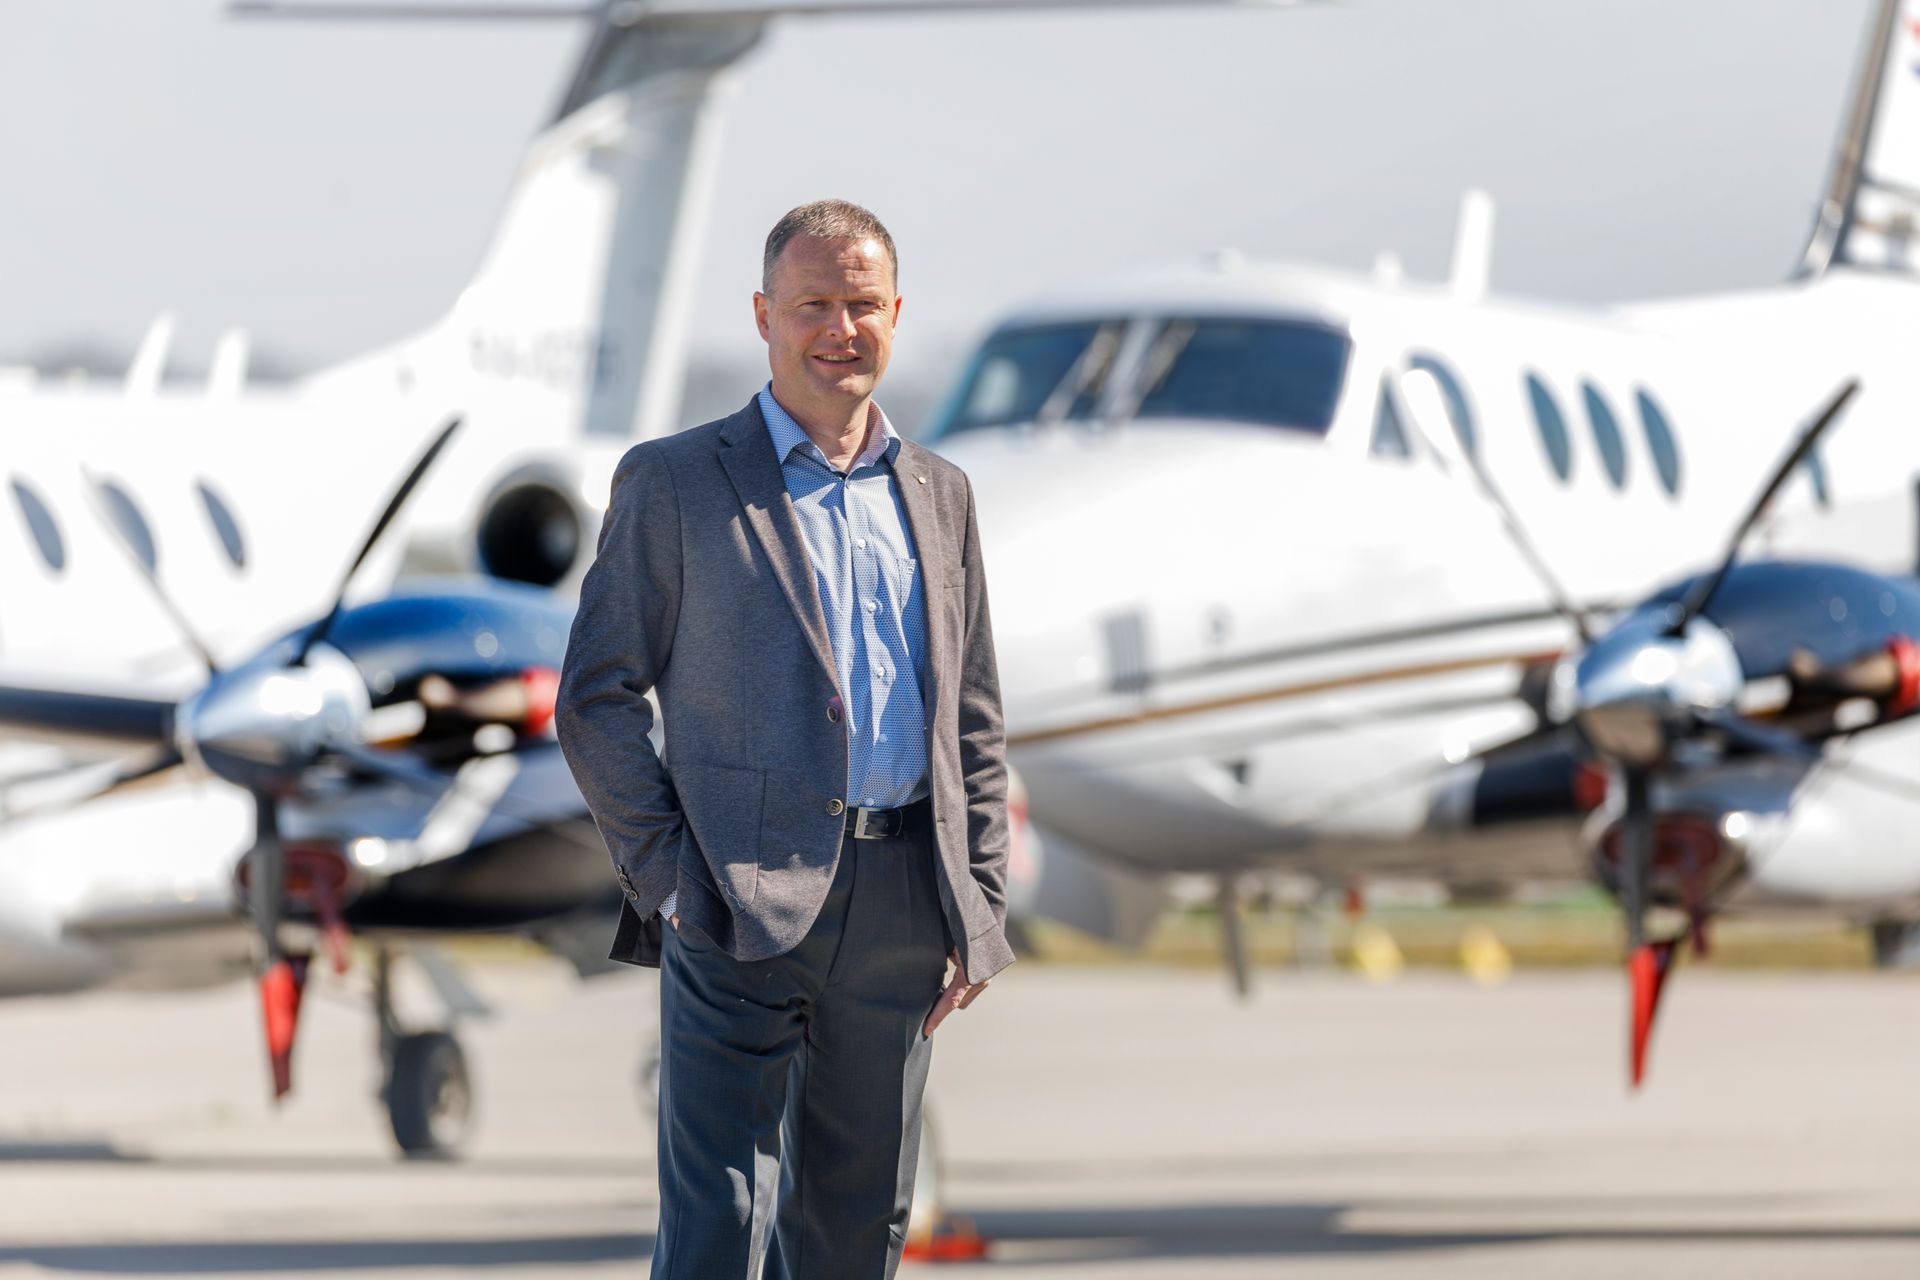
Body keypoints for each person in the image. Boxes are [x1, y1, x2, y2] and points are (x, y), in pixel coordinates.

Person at [556, 198, 1014, 1278]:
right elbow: (595, 695)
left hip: (904, 899)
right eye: (813, 304)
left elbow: (975, 713)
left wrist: (978, 896)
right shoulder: (673, 481)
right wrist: (670, 876)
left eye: (862, 304)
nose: (838, 328)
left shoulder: (941, 494)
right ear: (765, 316)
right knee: (719, 1223)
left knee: (858, 1233)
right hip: (733, 898)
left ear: (896, 313)